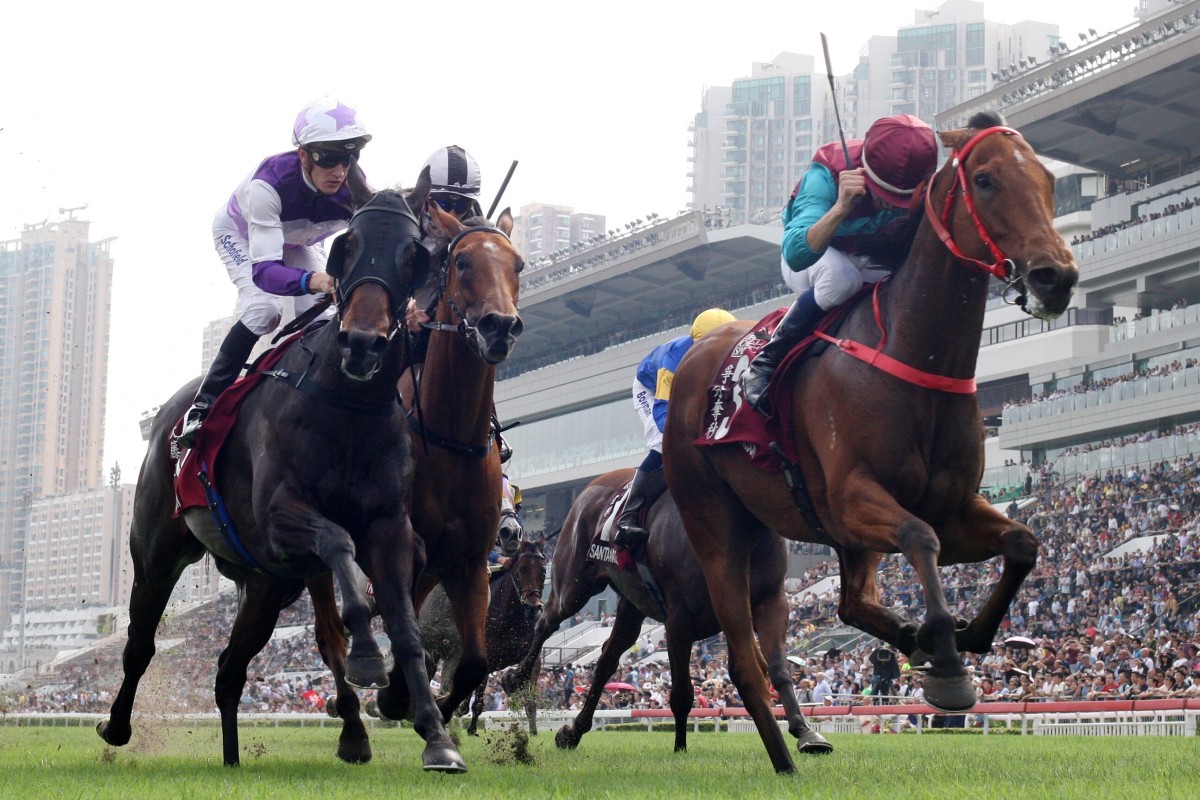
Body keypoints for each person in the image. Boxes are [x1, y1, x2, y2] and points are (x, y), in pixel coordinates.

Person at [178, 96, 373, 446]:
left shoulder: (353, 188)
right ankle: (203, 404)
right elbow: (265, 271)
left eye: (347, 158)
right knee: (263, 310)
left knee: (322, 318)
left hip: (299, 240)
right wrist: (311, 280)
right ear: (303, 155)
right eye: (327, 158)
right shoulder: (267, 185)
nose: (338, 171)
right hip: (241, 235)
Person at [740, 114, 938, 415]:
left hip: (871, 257)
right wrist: (841, 208)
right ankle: (767, 359)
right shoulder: (827, 172)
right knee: (842, 278)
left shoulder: (929, 184)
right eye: (884, 195)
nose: (890, 205)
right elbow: (795, 254)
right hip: (816, 258)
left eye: (902, 199)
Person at [613, 308, 737, 549]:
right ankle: (629, 515)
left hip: (690, 388)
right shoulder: (673, 358)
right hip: (651, 391)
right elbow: (663, 409)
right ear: (697, 343)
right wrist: (679, 437)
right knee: (663, 443)